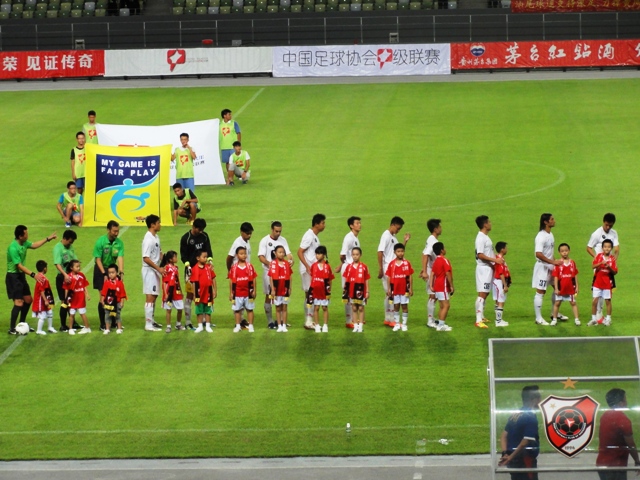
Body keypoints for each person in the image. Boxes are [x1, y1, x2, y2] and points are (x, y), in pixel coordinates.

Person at [6, 225, 57, 335]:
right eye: (26, 233)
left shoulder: (24, 243)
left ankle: (22, 324)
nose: (27, 235)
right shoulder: (13, 248)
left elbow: (34, 245)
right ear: (20, 236)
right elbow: (19, 265)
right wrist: (33, 274)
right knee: (19, 303)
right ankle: (12, 328)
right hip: (13, 277)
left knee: (28, 300)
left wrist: (47, 239)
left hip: (20, 276)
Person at [596, 388, 640, 480]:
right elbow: (630, 445)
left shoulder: (605, 416)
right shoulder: (623, 420)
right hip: (615, 465)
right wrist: (637, 461)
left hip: (602, 463)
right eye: (625, 399)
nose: (626, 402)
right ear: (621, 403)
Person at [499, 385, 541, 480]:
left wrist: (506, 454)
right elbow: (525, 442)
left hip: (513, 460)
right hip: (525, 460)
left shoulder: (515, 414)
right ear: (534, 400)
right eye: (539, 398)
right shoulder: (531, 417)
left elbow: (504, 436)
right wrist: (510, 457)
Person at [258, 221, 293, 329]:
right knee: (269, 295)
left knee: (282, 295)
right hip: (268, 272)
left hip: (282, 273)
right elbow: (261, 256)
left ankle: (281, 321)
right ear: (272, 229)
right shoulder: (265, 240)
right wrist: (272, 265)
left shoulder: (283, 240)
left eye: (280, 231)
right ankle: (270, 321)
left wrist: (291, 260)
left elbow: (289, 254)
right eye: (276, 231)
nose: (278, 233)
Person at [179, 218, 212, 330]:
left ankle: (204, 321)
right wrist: (188, 265)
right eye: (199, 229)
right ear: (193, 227)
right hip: (191, 271)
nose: (201, 231)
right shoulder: (186, 238)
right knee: (190, 294)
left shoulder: (204, 236)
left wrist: (210, 260)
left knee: (205, 293)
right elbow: (183, 255)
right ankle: (188, 322)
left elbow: (208, 250)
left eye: (202, 229)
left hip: (204, 270)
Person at [377, 216, 411, 327]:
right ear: (392, 224)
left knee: (389, 294)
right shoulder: (386, 236)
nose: (398, 230)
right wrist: (381, 268)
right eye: (398, 228)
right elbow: (380, 252)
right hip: (388, 268)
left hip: (394, 268)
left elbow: (398, 252)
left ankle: (388, 318)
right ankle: (392, 319)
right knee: (391, 293)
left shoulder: (393, 237)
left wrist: (404, 242)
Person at [93, 220, 125, 331]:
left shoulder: (119, 243)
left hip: (112, 269)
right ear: (108, 230)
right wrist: (104, 274)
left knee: (114, 296)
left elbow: (120, 257)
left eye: (117, 231)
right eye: (114, 231)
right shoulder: (101, 242)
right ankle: (103, 324)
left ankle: (113, 322)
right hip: (100, 269)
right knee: (103, 296)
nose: (116, 233)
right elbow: (98, 259)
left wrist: (121, 272)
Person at [587, 213, 619, 321]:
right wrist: (597, 258)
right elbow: (588, 247)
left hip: (608, 266)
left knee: (606, 289)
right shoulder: (597, 233)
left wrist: (615, 258)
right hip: (599, 267)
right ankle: (598, 313)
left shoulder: (614, 233)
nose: (608, 227)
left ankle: (600, 314)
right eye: (606, 225)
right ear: (603, 222)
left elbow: (617, 247)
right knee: (599, 289)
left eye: (610, 225)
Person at [532, 213, 563, 326]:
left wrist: (555, 262)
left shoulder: (550, 234)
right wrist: (553, 262)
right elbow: (538, 254)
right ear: (546, 222)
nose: (554, 221)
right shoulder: (541, 236)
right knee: (540, 292)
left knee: (558, 288)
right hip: (542, 268)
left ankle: (555, 313)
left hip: (550, 266)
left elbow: (549, 252)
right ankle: (538, 318)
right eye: (552, 219)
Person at [474, 215, 503, 329]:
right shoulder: (481, 238)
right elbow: (480, 255)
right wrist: (495, 260)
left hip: (487, 268)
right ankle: (478, 320)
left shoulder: (485, 237)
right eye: (489, 222)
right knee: (482, 293)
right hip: (483, 269)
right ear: (485, 225)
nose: (490, 223)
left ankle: (481, 316)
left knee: (485, 293)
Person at [297, 213, 326, 329]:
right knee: (310, 294)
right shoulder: (309, 235)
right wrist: (307, 266)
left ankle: (309, 320)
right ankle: (308, 321)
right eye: (323, 223)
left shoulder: (314, 236)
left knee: (310, 294)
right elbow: (300, 251)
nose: (324, 225)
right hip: (308, 270)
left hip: (311, 269)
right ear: (316, 224)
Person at [335, 216, 361, 329]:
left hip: (351, 267)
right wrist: (344, 265)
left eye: (359, 223)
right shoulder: (349, 238)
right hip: (349, 268)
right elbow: (342, 255)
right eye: (357, 223)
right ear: (351, 225)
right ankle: (348, 320)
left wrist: (340, 266)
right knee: (348, 294)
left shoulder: (355, 238)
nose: (359, 225)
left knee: (353, 293)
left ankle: (353, 318)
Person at [53, 229, 80, 332]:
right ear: (64, 238)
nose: (71, 244)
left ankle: (72, 323)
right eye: (70, 242)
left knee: (71, 301)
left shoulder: (70, 247)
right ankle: (63, 325)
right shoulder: (58, 248)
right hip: (62, 278)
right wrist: (65, 275)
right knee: (64, 302)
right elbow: (57, 264)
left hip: (70, 277)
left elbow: (75, 260)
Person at [141, 214, 164, 332]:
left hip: (154, 270)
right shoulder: (148, 240)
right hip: (149, 271)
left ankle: (152, 320)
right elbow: (146, 258)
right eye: (158, 223)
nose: (160, 225)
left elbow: (159, 252)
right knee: (150, 297)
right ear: (152, 225)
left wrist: (165, 262)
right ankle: (148, 324)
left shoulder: (156, 237)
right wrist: (158, 268)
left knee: (154, 296)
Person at [589, 239, 618, 327]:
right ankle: (594, 319)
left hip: (607, 284)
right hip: (597, 283)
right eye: (605, 247)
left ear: (611, 248)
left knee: (608, 301)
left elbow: (615, 272)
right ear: (602, 248)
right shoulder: (598, 256)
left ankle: (608, 319)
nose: (607, 248)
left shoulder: (612, 259)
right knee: (594, 301)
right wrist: (600, 263)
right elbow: (593, 266)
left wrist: (608, 267)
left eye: (609, 247)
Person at [419, 218, 442, 329]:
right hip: (431, 272)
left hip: (432, 270)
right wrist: (424, 271)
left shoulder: (431, 239)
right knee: (433, 295)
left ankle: (432, 318)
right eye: (439, 227)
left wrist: (424, 268)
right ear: (435, 229)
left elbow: (424, 253)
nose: (441, 228)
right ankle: (429, 320)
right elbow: (425, 255)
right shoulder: (433, 241)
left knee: (434, 295)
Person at [386, 243, 414, 332]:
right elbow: (389, 277)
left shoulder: (407, 263)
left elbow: (410, 276)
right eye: (398, 251)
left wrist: (411, 288)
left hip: (404, 289)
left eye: (402, 251)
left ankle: (404, 324)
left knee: (404, 306)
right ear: (394, 252)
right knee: (396, 306)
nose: (400, 253)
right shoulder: (392, 264)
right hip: (395, 289)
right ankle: (397, 324)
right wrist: (389, 289)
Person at [229, 246, 257, 333]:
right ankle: (238, 326)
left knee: (250, 309)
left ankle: (251, 326)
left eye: (245, 253)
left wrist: (254, 290)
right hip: (237, 293)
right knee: (237, 310)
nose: (244, 255)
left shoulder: (249, 266)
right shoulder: (234, 268)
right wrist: (231, 293)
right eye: (241, 254)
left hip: (248, 293)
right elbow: (231, 281)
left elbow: (254, 279)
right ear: (237, 255)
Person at [307, 246, 334, 333]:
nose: (317, 256)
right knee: (316, 308)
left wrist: (329, 291)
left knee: (325, 308)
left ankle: (325, 325)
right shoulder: (314, 266)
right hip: (316, 291)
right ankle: (317, 325)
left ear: (324, 254)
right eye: (316, 254)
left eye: (319, 254)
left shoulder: (327, 266)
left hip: (324, 291)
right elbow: (312, 278)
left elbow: (330, 280)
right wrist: (311, 290)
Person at [551, 243, 580, 326]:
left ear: (569, 251)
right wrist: (556, 288)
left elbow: (575, 275)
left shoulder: (572, 262)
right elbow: (556, 277)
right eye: (562, 251)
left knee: (573, 303)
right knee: (557, 303)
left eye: (566, 251)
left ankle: (577, 319)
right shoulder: (558, 263)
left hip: (570, 288)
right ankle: (554, 319)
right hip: (561, 288)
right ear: (559, 252)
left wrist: (577, 286)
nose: (564, 252)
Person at [342, 247, 369, 333]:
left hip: (361, 291)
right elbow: (346, 280)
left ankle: (360, 326)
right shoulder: (349, 267)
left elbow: (366, 279)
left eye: (357, 254)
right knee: (354, 308)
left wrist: (367, 291)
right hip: (352, 290)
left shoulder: (364, 267)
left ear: (360, 255)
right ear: (351, 255)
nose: (355, 256)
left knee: (360, 308)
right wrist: (345, 292)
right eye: (353, 254)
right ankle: (355, 326)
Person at [190, 250, 217, 333]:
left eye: (206, 257)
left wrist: (215, 290)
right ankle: (200, 326)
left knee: (208, 309)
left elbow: (213, 278)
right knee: (199, 310)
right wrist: (194, 294)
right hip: (199, 293)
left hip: (208, 292)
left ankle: (208, 326)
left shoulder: (209, 267)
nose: (206, 259)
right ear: (198, 258)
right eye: (204, 257)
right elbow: (193, 283)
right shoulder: (194, 269)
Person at [429, 242, 453, 332]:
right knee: (446, 305)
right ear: (442, 250)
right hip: (443, 286)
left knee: (442, 306)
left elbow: (432, 273)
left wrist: (431, 285)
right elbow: (447, 273)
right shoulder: (444, 260)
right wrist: (451, 285)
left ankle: (440, 323)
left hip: (437, 286)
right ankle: (441, 325)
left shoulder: (436, 261)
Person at [63, 259, 91, 335]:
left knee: (82, 313)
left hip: (80, 298)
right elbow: (66, 288)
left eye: (79, 266)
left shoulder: (81, 275)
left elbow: (84, 285)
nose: (79, 268)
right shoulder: (68, 277)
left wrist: (87, 294)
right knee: (71, 314)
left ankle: (87, 328)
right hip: (72, 299)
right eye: (77, 267)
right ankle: (70, 328)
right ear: (71, 268)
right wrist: (66, 299)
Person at [269, 245, 292, 333]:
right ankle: (279, 325)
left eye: (283, 252)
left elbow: (290, 276)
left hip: (284, 289)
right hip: (277, 289)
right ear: (275, 253)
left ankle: (284, 325)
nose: (282, 254)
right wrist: (272, 289)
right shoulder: (273, 264)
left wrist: (290, 287)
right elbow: (271, 277)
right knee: (278, 308)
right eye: (280, 252)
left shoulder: (286, 264)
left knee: (284, 308)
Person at [100, 264, 127, 335]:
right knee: (107, 315)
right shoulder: (106, 283)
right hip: (108, 303)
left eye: (113, 272)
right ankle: (107, 329)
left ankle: (119, 328)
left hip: (117, 302)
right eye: (109, 273)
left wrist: (122, 302)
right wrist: (102, 300)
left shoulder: (120, 283)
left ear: (116, 273)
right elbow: (103, 293)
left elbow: (122, 293)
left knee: (117, 315)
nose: (111, 274)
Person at [160, 251, 184, 333]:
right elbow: (164, 282)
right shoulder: (166, 268)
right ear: (170, 259)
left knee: (180, 308)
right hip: (169, 292)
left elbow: (177, 280)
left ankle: (178, 324)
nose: (176, 258)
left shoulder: (176, 268)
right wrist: (166, 294)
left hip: (177, 292)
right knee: (168, 310)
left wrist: (181, 291)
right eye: (175, 257)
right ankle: (168, 326)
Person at [32, 260, 56, 335]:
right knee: (42, 315)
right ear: (44, 268)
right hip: (41, 300)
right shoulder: (42, 278)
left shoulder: (39, 276)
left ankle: (50, 327)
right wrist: (45, 300)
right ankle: (39, 330)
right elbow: (41, 290)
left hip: (45, 298)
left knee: (50, 312)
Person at [219, 108, 241, 184]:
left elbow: (238, 133)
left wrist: (238, 144)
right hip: (224, 147)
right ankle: (230, 177)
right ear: (224, 116)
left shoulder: (234, 123)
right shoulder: (219, 125)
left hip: (232, 147)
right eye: (229, 114)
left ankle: (234, 176)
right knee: (227, 163)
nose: (230, 116)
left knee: (233, 162)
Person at [492, 241, 510, 328]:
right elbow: (501, 273)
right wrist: (505, 285)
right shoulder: (499, 260)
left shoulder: (498, 258)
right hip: (499, 282)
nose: (507, 249)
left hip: (497, 282)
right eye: (506, 248)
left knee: (497, 301)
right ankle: (498, 321)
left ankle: (498, 319)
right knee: (501, 301)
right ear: (502, 249)